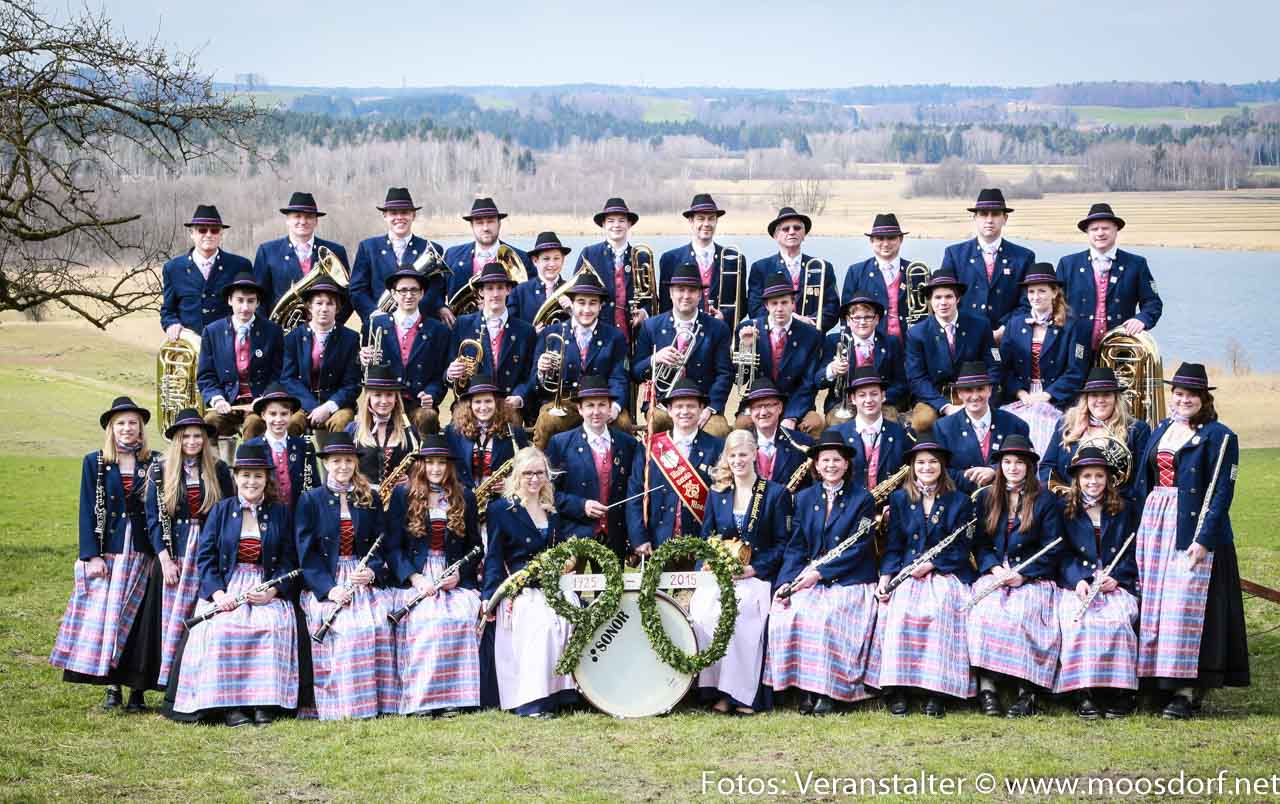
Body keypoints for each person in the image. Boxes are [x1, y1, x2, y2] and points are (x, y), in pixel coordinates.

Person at [1133, 362, 1247, 719]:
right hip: (1156, 522)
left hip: (1191, 526)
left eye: (1191, 395)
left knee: (1184, 606)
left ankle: (1185, 690)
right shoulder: (1162, 428)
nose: (1183, 400)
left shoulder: (1220, 435)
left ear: (1203, 399)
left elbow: (1221, 493)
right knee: (1156, 603)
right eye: (1178, 394)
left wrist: (1204, 539)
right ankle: (1156, 683)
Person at [164, 443, 298, 726]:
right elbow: (206, 557)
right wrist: (219, 594)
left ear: (266, 480)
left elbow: (289, 560)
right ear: (236, 477)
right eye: (246, 475)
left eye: (258, 476)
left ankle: (263, 702)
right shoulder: (221, 511)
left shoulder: (279, 512)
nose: (252, 481)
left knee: (274, 625)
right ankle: (229, 705)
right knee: (222, 629)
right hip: (229, 586)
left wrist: (273, 591)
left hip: (264, 585)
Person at [51, 397, 159, 713]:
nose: (128, 428)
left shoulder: (155, 461)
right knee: (110, 620)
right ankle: (112, 687)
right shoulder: (95, 462)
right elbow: (87, 509)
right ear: (111, 429)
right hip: (110, 553)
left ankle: (137, 689)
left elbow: (161, 510)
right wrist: (91, 555)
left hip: (143, 553)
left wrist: (160, 552)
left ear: (141, 429)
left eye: (133, 423)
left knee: (138, 620)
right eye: (121, 423)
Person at [765, 431, 878, 715]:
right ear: (815, 465)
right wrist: (786, 582)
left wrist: (820, 574)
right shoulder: (803, 498)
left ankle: (828, 690)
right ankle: (805, 687)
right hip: (810, 574)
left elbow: (860, 548)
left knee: (827, 617)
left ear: (846, 464)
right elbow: (796, 545)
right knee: (790, 611)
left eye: (836, 460)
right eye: (825, 460)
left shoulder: (862, 499)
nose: (830, 465)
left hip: (849, 577)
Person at [867, 437, 976, 718]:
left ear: (943, 466)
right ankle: (896, 688)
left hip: (945, 571)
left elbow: (962, 548)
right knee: (898, 610)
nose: (927, 467)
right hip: (907, 572)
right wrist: (885, 578)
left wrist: (932, 564)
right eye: (921, 463)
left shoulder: (960, 501)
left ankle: (936, 692)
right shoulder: (900, 499)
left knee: (941, 610)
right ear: (913, 468)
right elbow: (894, 546)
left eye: (932, 462)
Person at [296, 432, 395, 720]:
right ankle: (343, 704)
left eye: (348, 460)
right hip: (328, 580)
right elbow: (307, 553)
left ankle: (378, 703)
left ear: (355, 463)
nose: (342, 466)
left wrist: (372, 571)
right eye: (336, 460)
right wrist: (329, 590)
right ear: (326, 463)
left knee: (377, 623)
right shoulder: (310, 500)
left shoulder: (369, 496)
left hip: (360, 576)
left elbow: (381, 542)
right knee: (348, 630)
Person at [384, 434, 483, 716]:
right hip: (417, 577)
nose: (436, 469)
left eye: (441, 463)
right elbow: (392, 546)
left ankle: (452, 697)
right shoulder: (404, 495)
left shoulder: (465, 496)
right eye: (431, 463)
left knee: (458, 618)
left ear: (449, 466)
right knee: (426, 620)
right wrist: (415, 578)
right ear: (422, 465)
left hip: (451, 578)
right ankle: (421, 699)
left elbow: (476, 546)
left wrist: (458, 574)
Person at [694, 429, 792, 715]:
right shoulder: (718, 494)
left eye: (743, 454)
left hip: (755, 576)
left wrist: (753, 569)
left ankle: (742, 695)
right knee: (704, 611)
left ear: (754, 455)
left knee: (740, 613)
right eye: (732, 455)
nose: (738, 460)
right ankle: (717, 689)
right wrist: (710, 564)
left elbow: (783, 544)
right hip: (722, 576)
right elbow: (706, 536)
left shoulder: (775, 494)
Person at [967, 434, 1065, 718]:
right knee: (984, 612)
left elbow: (1053, 547)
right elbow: (981, 544)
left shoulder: (1044, 499)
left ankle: (1027, 691)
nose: (1012, 467)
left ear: (1029, 467)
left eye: (1019, 462)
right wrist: (995, 568)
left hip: (1031, 575)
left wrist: (1023, 575)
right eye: (1007, 462)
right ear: (999, 466)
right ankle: (988, 690)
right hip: (997, 571)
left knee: (1024, 614)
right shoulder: (987, 496)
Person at [481, 446, 578, 718]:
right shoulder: (501, 509)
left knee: (570, 613)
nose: (534, 479)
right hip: (520, 588)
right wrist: (488, 596)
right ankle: (532, 701)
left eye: (539, 473)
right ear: (517, 476)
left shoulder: (552, 510)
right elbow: (494, 556)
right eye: (528, 474)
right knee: (542, 624)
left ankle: (563, 693)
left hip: (551, 584)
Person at [144, 408, 234, 688]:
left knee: (205, 610)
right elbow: (154, 519)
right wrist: (165, 560)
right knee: (174, 615)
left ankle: (202, 674)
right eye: (187, 437)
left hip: (208, 548)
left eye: (198, 436)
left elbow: (229, 512)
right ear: (177, 440)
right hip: (177, 550)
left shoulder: (217, 469)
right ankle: (171, 677)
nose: (193, 442)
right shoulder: (160, 470)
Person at [1053, 446, 1141, 720]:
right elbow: (1061, 552)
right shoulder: (1064, 509)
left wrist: (1118, 577)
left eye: (1099, 476)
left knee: (1117, 620)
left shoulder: (1126, 509)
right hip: (1080, 583)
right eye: (1087, 476)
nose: (1093, 482)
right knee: (1077, 622)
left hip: (1115, 581)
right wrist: (1077, 579)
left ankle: (1121, 691)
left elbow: (1135, 550)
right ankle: (1084, 691)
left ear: (1109, 479)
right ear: (1077, 480)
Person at [521, 272, 630, 448]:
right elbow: (534, 383)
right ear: (571, 304)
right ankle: (540, 470)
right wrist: (541, 372)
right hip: (565, 402)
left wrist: (615, 407)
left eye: (593, 303)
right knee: (548, 422)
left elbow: (619, 377)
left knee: (623, 424)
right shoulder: (551, 333)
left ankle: (620, 473)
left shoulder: (614, 336)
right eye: (581, 302)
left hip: (600, 402)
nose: (586, 309)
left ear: (601, 306)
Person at [998, 267, 1092, 454]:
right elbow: (1003, 368)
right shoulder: (1015, 323)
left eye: (1042, 291)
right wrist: (1021, 393)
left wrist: (1046, 395)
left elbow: (1076, 372)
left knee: (1039, 422)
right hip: (1022, 397)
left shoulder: (1074, 325)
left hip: (1057, 399)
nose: (1035, 296)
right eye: (1031, 291)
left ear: (1055, 292)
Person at [631, 264, 734, 437]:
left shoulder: (717, 328)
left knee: (719, 430)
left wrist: (710, 408)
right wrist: (654, 359)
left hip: (702, 404)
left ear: (700, 295)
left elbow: (725, 374)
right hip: (663, 404)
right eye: (680, 290)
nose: (686, 296)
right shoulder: (651, 326)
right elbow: (635, 373)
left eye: (692, 291)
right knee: (655, 421)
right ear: (671, 293)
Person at [544, 376, 641, 560]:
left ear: (610, 408)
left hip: (614, 537)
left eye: (602, 405)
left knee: (611, 589)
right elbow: (548, 493)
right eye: (590, 405)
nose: (596, 411)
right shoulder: (560, 443)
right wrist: (581, 505)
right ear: (580, 409)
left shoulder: (627, 444)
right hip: (573, 534)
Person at [626, 380, 725, 556]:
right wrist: (639, 538)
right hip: (657, 542)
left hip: (702, 543)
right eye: (679, 406)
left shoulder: (717, 447)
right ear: (669, 411)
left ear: (701, 409)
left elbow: (724, 498)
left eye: (691, 406)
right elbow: (635, 494)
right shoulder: (649, 446)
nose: (685, 411)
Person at [1055, 203, 1163, 351]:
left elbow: (1153, 302)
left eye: (1105, 228)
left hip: (1119, 346)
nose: (1100, 233)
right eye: (1094, 229)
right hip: (1076, 346)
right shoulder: (1068, 264)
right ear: (1087, 232)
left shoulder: (1136, 264)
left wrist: (1141, 319)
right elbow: (1055, 303)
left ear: (1116, 230)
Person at [904, 267, 1000, 433]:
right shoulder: (916, 333)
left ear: (958, 298)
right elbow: (917, 378)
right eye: (937, 297)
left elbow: (994, 365)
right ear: (930, 301)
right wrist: (945, 406)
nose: (943, 302)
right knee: (921, 422)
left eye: (948, 296)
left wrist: (982, 396)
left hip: (975, 391)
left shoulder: (980, 325)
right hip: (936, 395)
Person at [360, 264, 451, 436]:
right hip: (384, 401)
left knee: (428, 417)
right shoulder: (374, 325)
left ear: (422, 293)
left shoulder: (438, 330)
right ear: (393, 294)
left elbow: (441, 374)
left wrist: (431, 394)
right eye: (402, 290)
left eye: (414, 290)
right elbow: (362, 370)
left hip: (418, 402)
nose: (408, 295)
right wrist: (362, 359)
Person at [1040, 367, 1151, 502]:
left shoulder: (1136, 430)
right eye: (1094, 395)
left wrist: (1119, 502)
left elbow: (1141, 478)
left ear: (1116, 398)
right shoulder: (1066, 424)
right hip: (1069, 506)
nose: (1100, 400)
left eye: (1106, 394)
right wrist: (1067, 496)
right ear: (1086, 399)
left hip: (1116, 509)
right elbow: (1047, 466)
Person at [733, 271, 823, 436]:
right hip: (758, 401)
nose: (779, 309)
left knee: (815, 423)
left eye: (784, 302)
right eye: (774, 303)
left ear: (793, 303)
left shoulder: (810, 335)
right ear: (766, 305)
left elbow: (808, 383)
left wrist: (792, 416)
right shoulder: (747, 328)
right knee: (742, 425)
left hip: (794, 402)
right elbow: (740, 380)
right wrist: (746, 348)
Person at [196, 272, 282, 442]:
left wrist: (264, 399)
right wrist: (218, 399)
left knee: (254, 424)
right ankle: (213, 468)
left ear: (257, 302)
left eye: (250, 301)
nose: (245, 307)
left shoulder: (273, 331)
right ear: (230, 301)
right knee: (209, 423)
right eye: (240, 300)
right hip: (228, 403)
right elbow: (206, 375)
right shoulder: (212, 331)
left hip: (260, 406)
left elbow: (278, 373)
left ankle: (249, 467)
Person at [446, 262, 536, 425]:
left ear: (508, 290)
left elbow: (529, 375)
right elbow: (446, 370)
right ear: (480, 291)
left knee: (509, 437)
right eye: (489, 288)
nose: (495, 294)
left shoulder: (525, 330)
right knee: (459, 432)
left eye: (500, 287)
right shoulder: (462, 324)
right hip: (471, 403)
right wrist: (451, 373)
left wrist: (519, 397)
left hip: (507, 403)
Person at [940, 189, 1036, 340]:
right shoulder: (954, 254)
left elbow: (1027, 303)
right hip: (964, 338)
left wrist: (1005, 329)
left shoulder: (1024, 257)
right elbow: (944, 298)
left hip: (1008, 340)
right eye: (984, 214)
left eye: (996, 214)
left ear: (1005, 218)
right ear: (975, 218)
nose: (989, 220)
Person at [348, 187, 447, 325]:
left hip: (419, 325)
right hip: (379, 324)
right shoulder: (368, 247)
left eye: (405, 212)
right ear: (385, 216)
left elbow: (435, 290)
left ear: (413, 215)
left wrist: (412, 313)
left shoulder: (430, 249)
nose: (399, 217)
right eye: (393, 213)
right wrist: (373, 313)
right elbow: (357, 290)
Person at [280, 277, 360, 436]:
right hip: (302, 404)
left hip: (338, 404)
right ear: (309, 306)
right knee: (289, 424)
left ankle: (339, 460)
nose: (324, 308)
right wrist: (313, 407)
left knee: (341, 423)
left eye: (330, 303)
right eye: (319, 303)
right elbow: (288, 379)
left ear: (337, 308)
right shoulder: (293, 337)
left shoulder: (351, 338)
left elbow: (353, 383)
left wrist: (328, 407)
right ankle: (291, 461)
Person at [253, 192, 350, 324]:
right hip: (280, 336)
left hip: (326, 334)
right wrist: (268, 332)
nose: (303, 221)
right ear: (287, 220)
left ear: (316, 221)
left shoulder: (335, 251)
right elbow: (258, 298)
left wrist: (332, 326)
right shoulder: (267, 251)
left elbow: (347, 296)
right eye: (297, 216)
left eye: (309, 217)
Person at [933, 362, 1029, 492]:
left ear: (989, 390)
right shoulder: (943, 428)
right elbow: (938, 470)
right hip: (962, 501)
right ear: (959, 393)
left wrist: (995, 471)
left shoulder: (1015, 424)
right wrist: (972, 477)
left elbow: (1029, 463)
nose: (975, 396)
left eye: (980, 389)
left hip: (1006, 500)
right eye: (968, 390)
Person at [160, 205, 251, 339]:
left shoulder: (240, 266)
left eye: (214, 230)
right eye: (202, 230)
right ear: (192, 234)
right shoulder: (173, 268)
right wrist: (171, 324)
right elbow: (168, 311)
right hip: (190, 347)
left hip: (228, 343)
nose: (208, 235)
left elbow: (250, 305)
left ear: (221, 234)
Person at [442, 197, 534, 325]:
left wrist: (495, 307)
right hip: (461, 331)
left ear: (499, 224)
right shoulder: (452, 255)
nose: (485, 228)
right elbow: (436, 290)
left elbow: (530, 300)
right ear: (472, 226)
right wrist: (441, 307)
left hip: (507, 331)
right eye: (479, 223)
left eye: (490, 221)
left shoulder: (521, 258)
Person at [817, 295, 908, 421]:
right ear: (848, 320)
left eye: (868, 317)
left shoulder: (891, 342)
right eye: (856, 318)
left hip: (883, 403)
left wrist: (880, 398)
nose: (862, 322)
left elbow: (901, 383)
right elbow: (818, 381)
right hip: (845, 404)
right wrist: (832, 370)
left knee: (890, 424)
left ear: (876, 319)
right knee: (838, 426)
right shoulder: (834, 341)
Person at [747, 207, 838, 333]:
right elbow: (755, 308)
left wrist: (811, 321)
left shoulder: (822, 267)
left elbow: (832, 306)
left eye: (797, 228)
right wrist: (786, 321)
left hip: (811, 338)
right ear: (775, 235)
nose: (792, 232)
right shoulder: (760, 268)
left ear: (804, 234)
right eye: (785, 229)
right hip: (773, 337)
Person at [575, 198, 651, 348]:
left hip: (633, 335)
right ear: (603, 225)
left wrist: (644, 312)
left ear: (629, 224)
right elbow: (578, 293)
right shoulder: (589, 254)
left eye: (621, 220)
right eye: (610, 221)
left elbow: (651, 298)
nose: (616, 225)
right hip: (598, 334)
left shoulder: (642, 256)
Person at [658, 193, 743, 324]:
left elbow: (742, 303)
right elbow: (665, 305)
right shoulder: (670, 259)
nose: (706, 224)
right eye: (701, 219)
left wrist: (724, 317)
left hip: (720, 336)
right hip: (682, 334)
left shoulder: (734, 259)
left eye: (711, 219)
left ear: (716, 221)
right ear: (691, 221)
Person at [839, 213, 924, 342]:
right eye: (879, 238)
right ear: (871, 241)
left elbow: (926, 314)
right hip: (872, 346)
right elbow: (846, 315)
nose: (885, 243)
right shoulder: (856, 272)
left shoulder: (917, 272)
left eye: (891, 238)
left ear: (901, 239)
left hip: (910, 345)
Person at [826, 367, 909, 493]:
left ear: (883, 396)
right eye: (862, 395)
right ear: (853, 399)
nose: (868, 400)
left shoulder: (901, 434)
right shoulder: (837, 434)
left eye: (874, 394)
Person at [444, 375, 530, 490]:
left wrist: (509, 483)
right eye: (477, 402)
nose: (483, 407)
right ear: (469, 405)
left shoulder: (514, 432)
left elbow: (526, 470)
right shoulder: (453, 432)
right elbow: (448, 469)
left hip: (501, 498)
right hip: (464, 496)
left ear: (497, 403)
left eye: (488, 401)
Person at [347, 365, 422, 498]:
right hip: (361, 501)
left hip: (399, 503)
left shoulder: (410, 433)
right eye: (377, 395)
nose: (384, 401)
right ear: (368, 398)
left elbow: (420, 473)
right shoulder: (352, 431)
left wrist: (410, 482)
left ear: (396, 399)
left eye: (389, 395)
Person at [243, 384, 319, 508]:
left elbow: (313, 485)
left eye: (284, 414)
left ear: (291, 415)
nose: (278, 419)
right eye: (272, 414)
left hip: (297, 514)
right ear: (263, 415)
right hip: (265, 515)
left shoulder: (304, 446)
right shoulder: (251, 447)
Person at [738, 378, 811, 490]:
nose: (763, 412)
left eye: (768, 405)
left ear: (780, 408)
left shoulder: (802, 443)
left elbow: (811, 487)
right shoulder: (738, 444)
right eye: (757, 406)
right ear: (751, 412)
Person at [509, 231, 571, 327]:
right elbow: (511, 328)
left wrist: (574, 311)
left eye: (556, 258)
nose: (552, 264)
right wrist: (531, 333)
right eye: (546, 259)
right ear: (535, 261)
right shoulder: (520, 292)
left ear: (563, 260)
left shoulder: (573, 291)